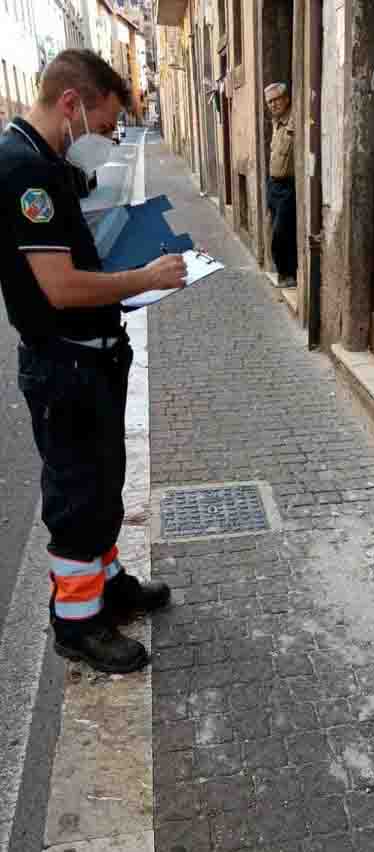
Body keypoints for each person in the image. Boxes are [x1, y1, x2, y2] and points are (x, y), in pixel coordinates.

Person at [0, 50, 187, 674]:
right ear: (73, 105)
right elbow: (59, 287)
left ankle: (108, 588)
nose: (107, 141)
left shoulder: (46, 161)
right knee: (78, 499)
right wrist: (144, 275)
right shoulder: (24, 168)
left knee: (103, 488)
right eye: (106, 127)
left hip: (90, 363)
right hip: (66, 370)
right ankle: (77, 625)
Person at [264, 82, 297, 288]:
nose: (273, 104)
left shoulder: (293, 119)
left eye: (277, 99)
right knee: (275, 230)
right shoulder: (276, 123)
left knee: (281, 232)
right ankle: (285, 273)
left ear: (286, 99)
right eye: (270, 102)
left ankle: (287, 273)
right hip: (273, 186)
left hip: (287, 187)